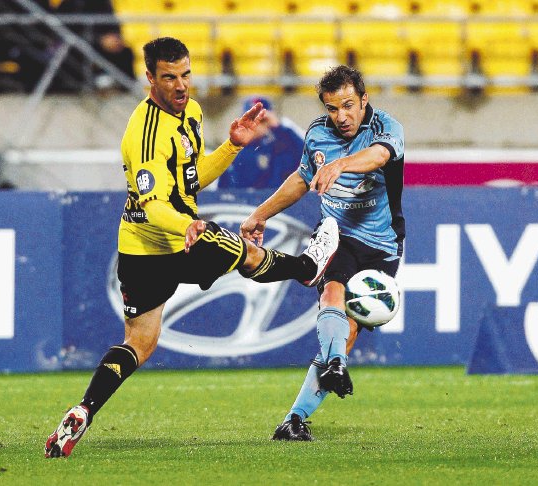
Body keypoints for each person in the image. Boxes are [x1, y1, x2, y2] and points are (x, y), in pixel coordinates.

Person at [44, 37, 339, 458]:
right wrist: (189, 225)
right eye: (169, 77)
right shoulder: (146, 136)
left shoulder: (192, 112)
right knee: (249, 255)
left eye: (185, 74)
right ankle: (308, 268)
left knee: (140, 343)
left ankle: (83, 411)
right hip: (174, 239)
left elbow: (189, 179)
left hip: (137, 252)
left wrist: (232, 146)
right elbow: (153, 203)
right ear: (149, 78)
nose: (181, 85)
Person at [240, 65, 405, 441]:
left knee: (345, 336)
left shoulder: (386, 128)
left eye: (348, 105)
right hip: (337, 235)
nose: (341, 116)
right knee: (333, 290)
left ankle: (296, 415)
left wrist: (340, 165)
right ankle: (313, 394)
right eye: (333, 108)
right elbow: (300, 179)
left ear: (364, 100)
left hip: (382, 244)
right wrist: (258, 215)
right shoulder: (317, 133)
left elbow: (380, 157)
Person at [218, 96, 304, 189]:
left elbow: (307, 157)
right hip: (240, 202)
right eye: (251, 119)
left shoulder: (278, 148)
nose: (255, 125)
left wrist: (279, 128)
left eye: (261, 120)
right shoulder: (232, 150)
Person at [52, 0, 135, 91]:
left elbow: (113, 26)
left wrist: (114, 38)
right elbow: (68, 33)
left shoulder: (104, 3)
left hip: (104, 46)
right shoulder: (69, 4)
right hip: (79, 47)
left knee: (126, 52)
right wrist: (99, 40)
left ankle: (125, 90)